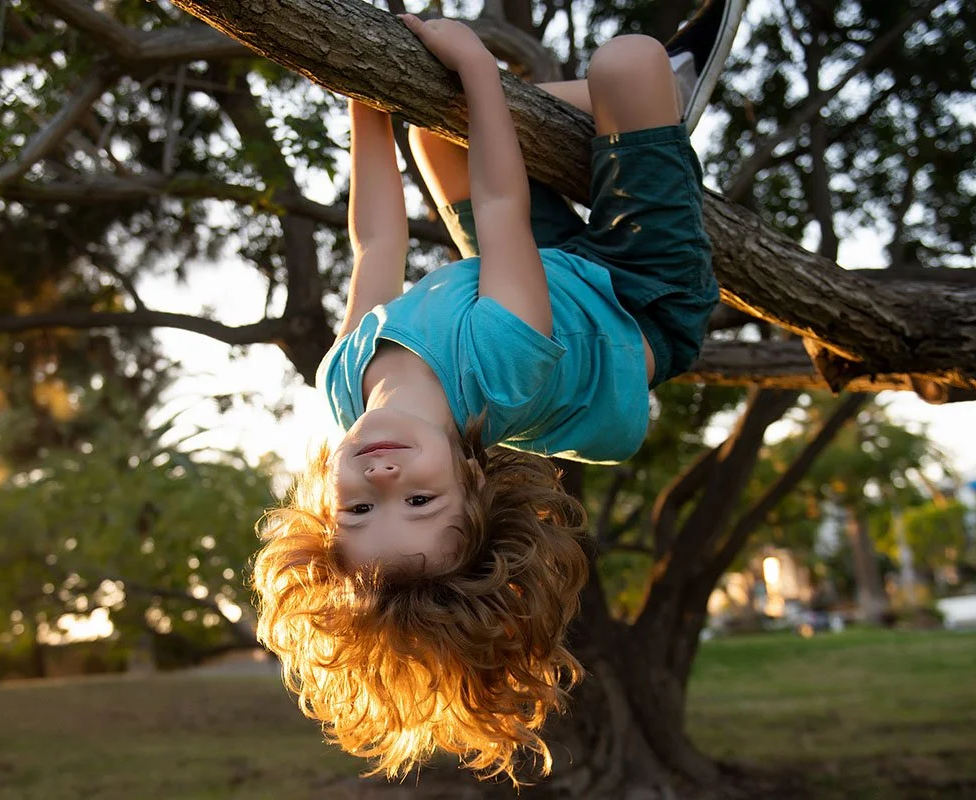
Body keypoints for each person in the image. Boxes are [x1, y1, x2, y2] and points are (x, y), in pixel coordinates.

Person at [252, 0, 744, 784]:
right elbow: (505, 205)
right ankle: (657, 109)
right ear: (473, 483)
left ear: (324, 509)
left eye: (360, 510)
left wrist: (362, 97)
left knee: (430, 129)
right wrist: (480, 67)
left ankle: (625, 131)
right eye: (420, 504)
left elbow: (375, 240)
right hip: (639, 292)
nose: (383, 481)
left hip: (540, 273)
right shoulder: (498, 368)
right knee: (630, 63)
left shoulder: (345, 381)